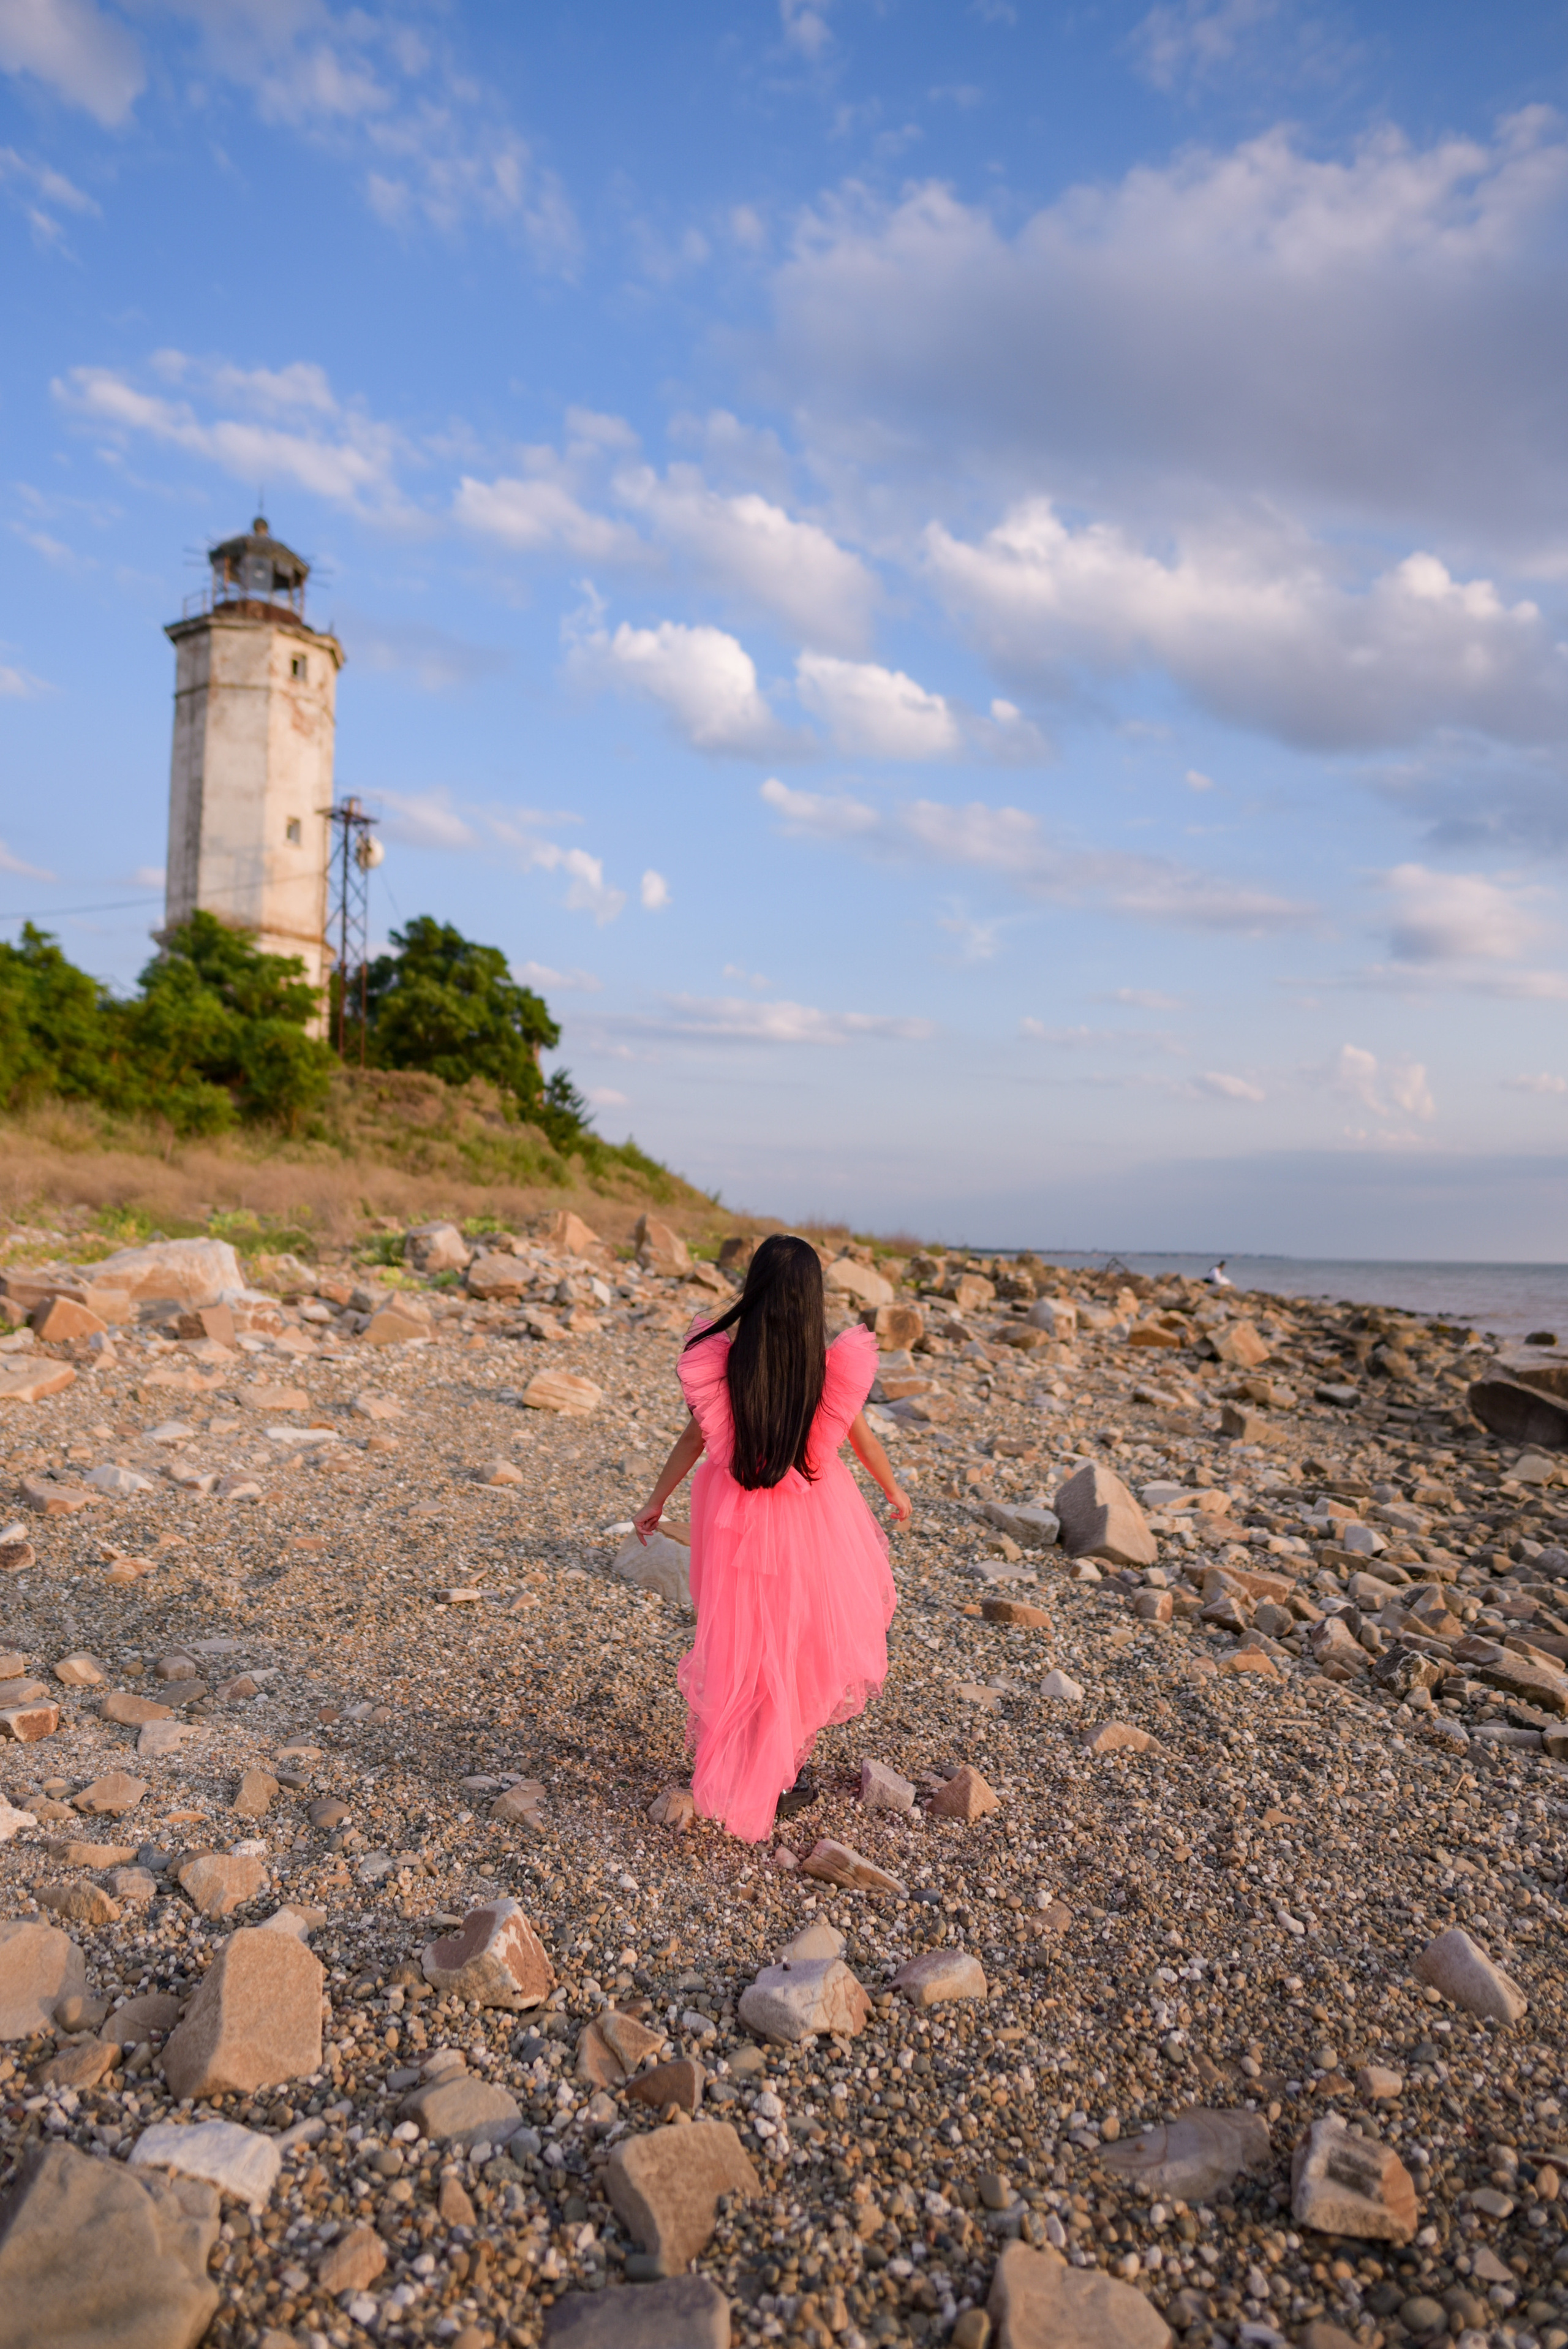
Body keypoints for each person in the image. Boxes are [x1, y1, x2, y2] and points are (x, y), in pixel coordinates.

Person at [632, 1233, 909, 1842]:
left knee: (742, 1641)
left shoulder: (725, 1362)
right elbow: (862, 1440)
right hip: (811, 1520)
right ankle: (782, 1773)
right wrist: (893, 1491)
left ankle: (743, 1763)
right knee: (795, 1641)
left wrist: (656, 1500)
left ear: (752, 1294)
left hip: (734, 1518)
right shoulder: (828, 1370)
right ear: (812, 1302)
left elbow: (693, 1440)